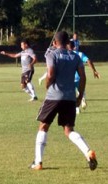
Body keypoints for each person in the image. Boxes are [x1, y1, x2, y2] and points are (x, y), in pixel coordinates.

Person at [30, 31, 97, 171]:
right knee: (69, 130)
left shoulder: (52, 54)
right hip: (70, 98)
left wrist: (48, 85)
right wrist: (79, 97)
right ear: (68, 42)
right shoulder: (75, 56)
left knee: (43, 126)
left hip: (54, 97)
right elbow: (83, 77)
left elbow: (50, 73)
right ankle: (88, 152)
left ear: (54, 42)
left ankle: (38, 162)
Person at [67, 40, 100, 114]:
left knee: (71, 95)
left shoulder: (66, 54)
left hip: (69, 78)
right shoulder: (80, 54)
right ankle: (82, 100)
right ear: (74, 47)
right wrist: (94, 71)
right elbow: (88, 61)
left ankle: (76, 108)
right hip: (80, 77)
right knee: (81, 92)